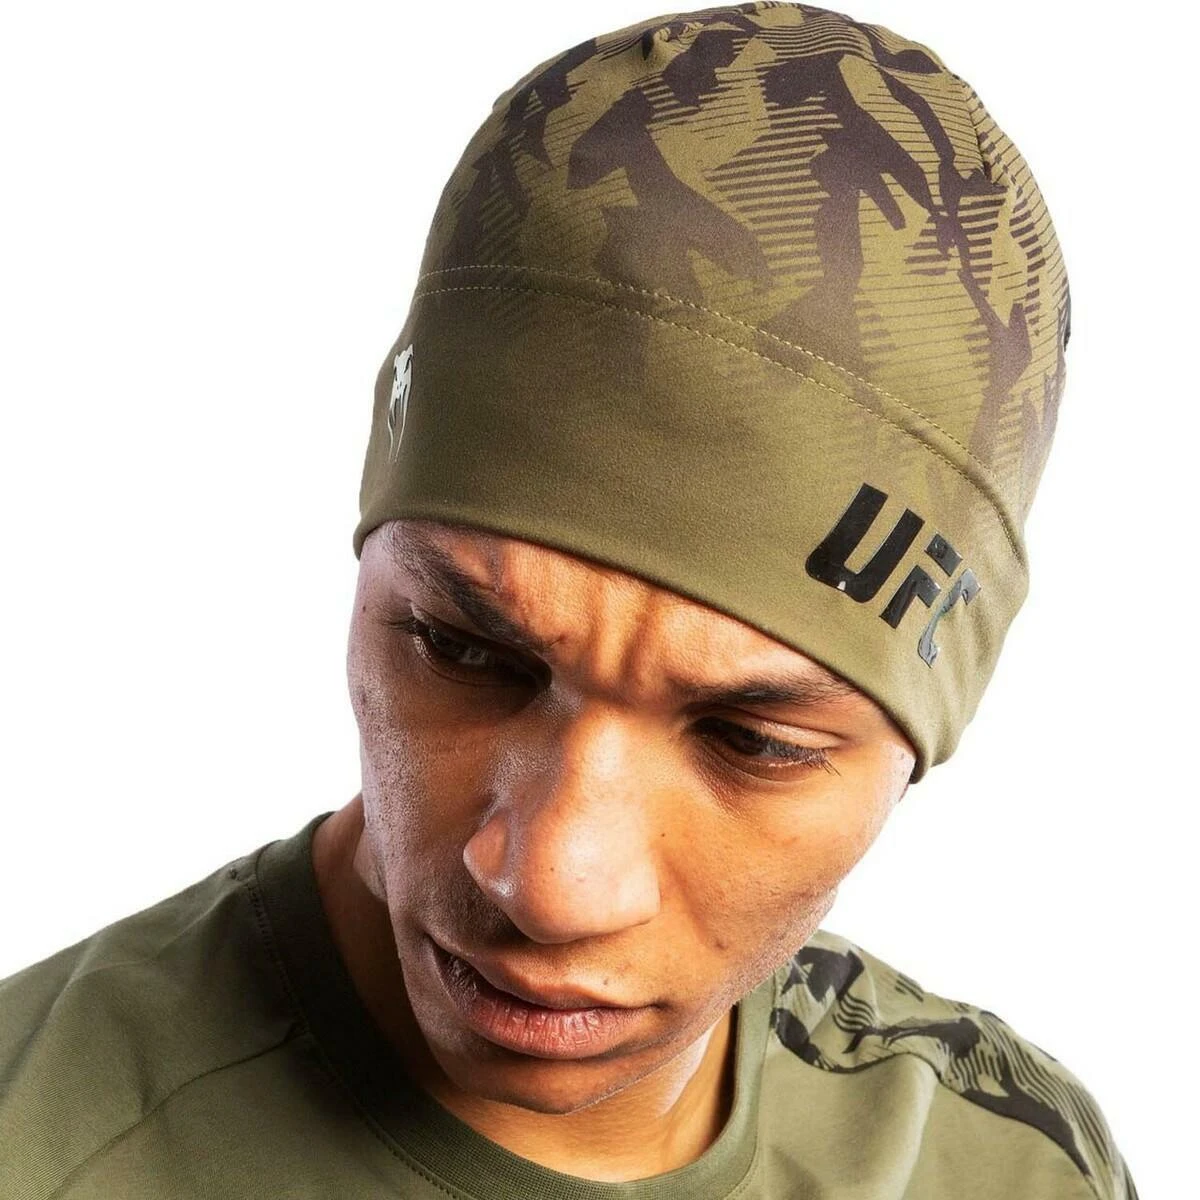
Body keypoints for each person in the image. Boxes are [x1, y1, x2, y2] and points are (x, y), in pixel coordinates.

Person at [0, 3, 1138, 1197]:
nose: (547, 884)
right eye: (462, 651)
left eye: (753, 740)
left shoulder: (1008, 1164)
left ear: (915, 746)